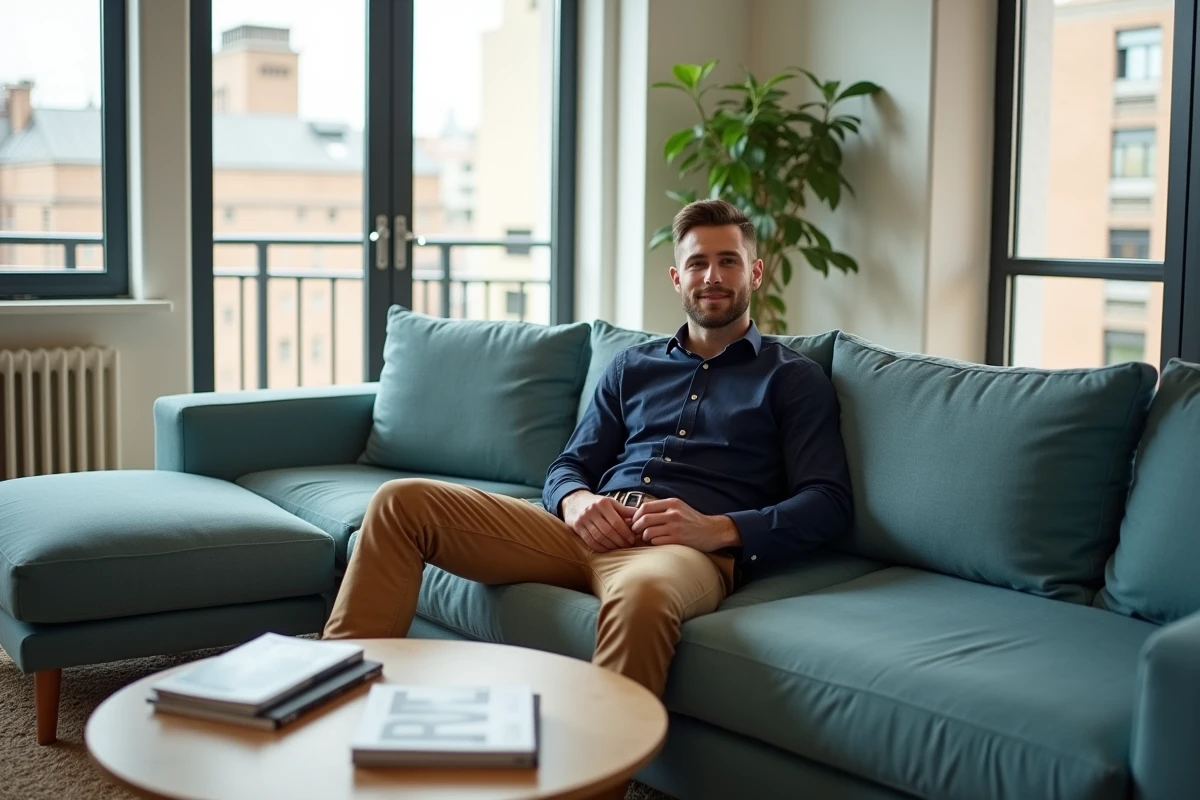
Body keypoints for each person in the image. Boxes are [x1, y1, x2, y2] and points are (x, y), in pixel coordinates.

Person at [323, 199, 853, 697]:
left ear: (754, 274)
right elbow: (571, 464)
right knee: (401, 502)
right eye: (697, 264)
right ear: (677, 278)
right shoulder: (632, 366)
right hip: (579, 528)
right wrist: (575, 500)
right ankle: (326, 702)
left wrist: (717, 528)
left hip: (683, 551)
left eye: (728, 262)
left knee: (643, 598)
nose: (711, 277)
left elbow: (828, 502)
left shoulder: (793, 379)